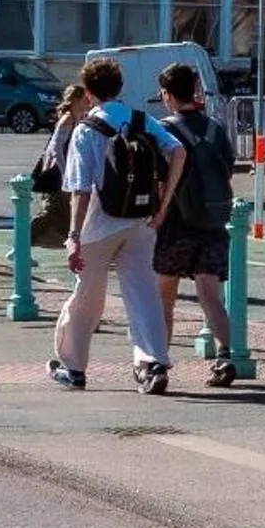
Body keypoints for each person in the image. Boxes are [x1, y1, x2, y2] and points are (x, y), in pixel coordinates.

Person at [51, 56, 185, 394]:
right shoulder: (141, 119)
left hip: (99, 223)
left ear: (90, 93)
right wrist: (163, 206)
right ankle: (152, 362)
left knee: (88, 296)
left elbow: (80, 189)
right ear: (119, 88)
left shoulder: (87, 129)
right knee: (143, 293)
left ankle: (74, 367)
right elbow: (178, 152)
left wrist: (73, 236)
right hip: (140, 220)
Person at [151, 63, 241, 386]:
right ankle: (225, 355)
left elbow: (158, 176)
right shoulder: (216, 128)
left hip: (175, 222)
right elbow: (228, 167)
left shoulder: (163, 129)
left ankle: (158, 364)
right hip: (213, 220)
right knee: (211, 296)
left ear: (167, 95)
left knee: (164, 297)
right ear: (194, 92)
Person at [31, 83, 89, 250]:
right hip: (57, 172)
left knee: (63, 211)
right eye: (84, 98)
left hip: (66, 172)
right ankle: (20, 242)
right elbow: (55, 148)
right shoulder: (68, 118)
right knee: (51, 211)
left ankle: (73, 245)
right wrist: (66, 174)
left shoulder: (79, 117)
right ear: (76, 100)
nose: (88, 101)